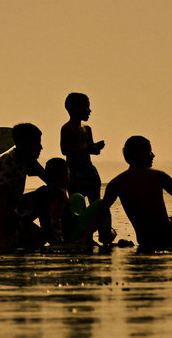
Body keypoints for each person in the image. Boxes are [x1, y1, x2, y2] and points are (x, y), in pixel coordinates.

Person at [0, 123, 45, 250]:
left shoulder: (27, 160)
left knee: (46, 194)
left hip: (10, 211)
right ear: (25, 145)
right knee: (45, 195)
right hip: (0, 216)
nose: (41, 147)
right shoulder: (10, 163)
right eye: (36, 143)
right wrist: (0, 237)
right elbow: (2, 200)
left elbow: (51, 179)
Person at [19, 158, 115, 246]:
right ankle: (105, 238)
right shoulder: (57, 194)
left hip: (68, 229)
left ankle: (88, 238)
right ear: (63, 177)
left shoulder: (47, 191)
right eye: (68, 174)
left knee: (77, 197)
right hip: (69, 234)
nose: (70, 177)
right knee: (100, 204)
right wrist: (58, 243)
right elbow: (54, 219)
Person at [60, 93, 112, 245]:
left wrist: (96, 147)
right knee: (78, 205)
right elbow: (64, 150)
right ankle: (83, 236)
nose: (89, 111)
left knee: (97, 202)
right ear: (76, 109)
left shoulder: (87, 129)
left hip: (89, 171)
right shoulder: (67, 129)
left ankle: (104, 234)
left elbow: (92, 150)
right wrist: (87, 148)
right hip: (75, 173)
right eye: (86, 107)